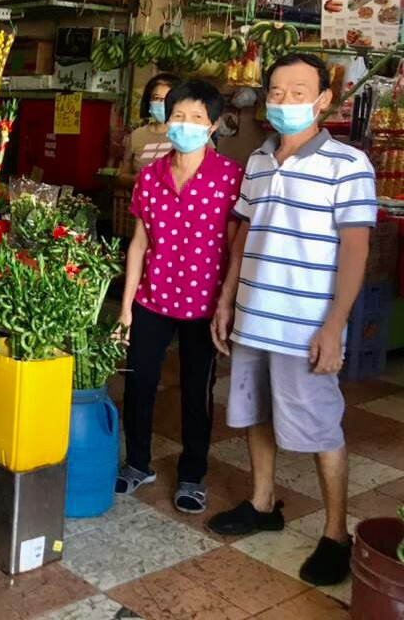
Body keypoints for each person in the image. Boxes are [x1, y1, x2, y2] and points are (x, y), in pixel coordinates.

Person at [208, 53, 376, 587]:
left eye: (298, 92)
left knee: (321, 425)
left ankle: (335, 534)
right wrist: (227, 300)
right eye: (276, 92)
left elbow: (355, 251)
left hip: (305, 326)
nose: (284, 102)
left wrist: (334, 326)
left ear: (324, 99)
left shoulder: (348, 165)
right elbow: (243, 240)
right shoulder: (258, 161)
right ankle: (262, 504)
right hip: (255, 316)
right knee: (256, 412)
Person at [116, 80, 243, 514]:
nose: (185, 126)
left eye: (196, 119)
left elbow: (234, 246)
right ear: (166, 120)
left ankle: (192, 474)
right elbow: (139, 242)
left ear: (212, 126)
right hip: (153, 299)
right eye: (178, 117)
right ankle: (137, 463)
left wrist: (227, 302)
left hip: (203, 305)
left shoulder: (229, 178)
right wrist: (127, 306)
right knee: (139, 381)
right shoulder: (150, 177)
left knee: (196, 390)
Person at [118, 72, 181, 187]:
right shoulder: (137, 135)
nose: (162, 103)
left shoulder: (192, 134)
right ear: (149, 101)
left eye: (168, 99)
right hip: (143, 203)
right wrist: (137, 179)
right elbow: (123, 177)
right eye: (157, 98)